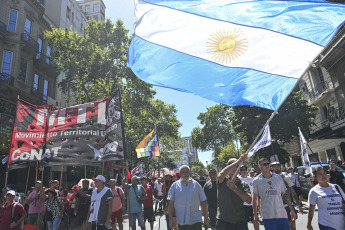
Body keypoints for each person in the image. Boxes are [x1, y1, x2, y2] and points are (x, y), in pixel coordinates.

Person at [253, 158, 296, 230]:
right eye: (264, 164)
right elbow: (254, 199)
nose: (267, 166)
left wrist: (291, 209)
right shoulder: (256, 180)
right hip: (268, 216)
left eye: (268, 164)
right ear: (260, 166)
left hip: (281, 214)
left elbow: (285, 194)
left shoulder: (278, 177)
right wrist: (255, 214)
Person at [167, 165, 209, 230]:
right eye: (183, 172)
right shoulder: (174, 186)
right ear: (180, 174)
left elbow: (203, 201)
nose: (185, 173)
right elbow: (170, 203)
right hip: (182, 222)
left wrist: (206, 218)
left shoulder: (196, 185)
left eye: (187, 171)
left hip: (196, 221)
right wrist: (170, 219)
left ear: (189, 173)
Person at [216, 155, 252, 230]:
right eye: (231, 165)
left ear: (239, 169)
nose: (233, 168)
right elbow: (221, 175)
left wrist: (235, 189)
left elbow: (249, 200)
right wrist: (238, 161)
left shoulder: (243, 183)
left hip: (240, 222)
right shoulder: (222, 181)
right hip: (223, 221)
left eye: (237, 166)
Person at [307, 166, 345, 230]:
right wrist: (309, 224)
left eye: (324, 173)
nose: (323, 175)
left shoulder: (336, 187)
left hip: (342, 224)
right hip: (326, 224)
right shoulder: (313, 191)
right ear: (315, 177)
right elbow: (311, 209)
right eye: (320, 174)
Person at [270, 162, 303, 230]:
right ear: (271, 168)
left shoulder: (286, 178)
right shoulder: (270, 180)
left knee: (292, 225)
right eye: (274, 166)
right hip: (277, 207)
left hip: (288, 206)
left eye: (278, 166)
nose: (276, 167)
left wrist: (298, 204)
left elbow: (292, 192)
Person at [238, 165, 259, 230]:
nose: (244, 171)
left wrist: (258, 204)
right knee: (244, 223)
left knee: (256, 221)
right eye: (242, 169)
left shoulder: (252, 180)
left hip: (253, 204)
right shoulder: (238, 180)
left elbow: (255, 193)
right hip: (242, 205)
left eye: (245, 169)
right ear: (239, 171)